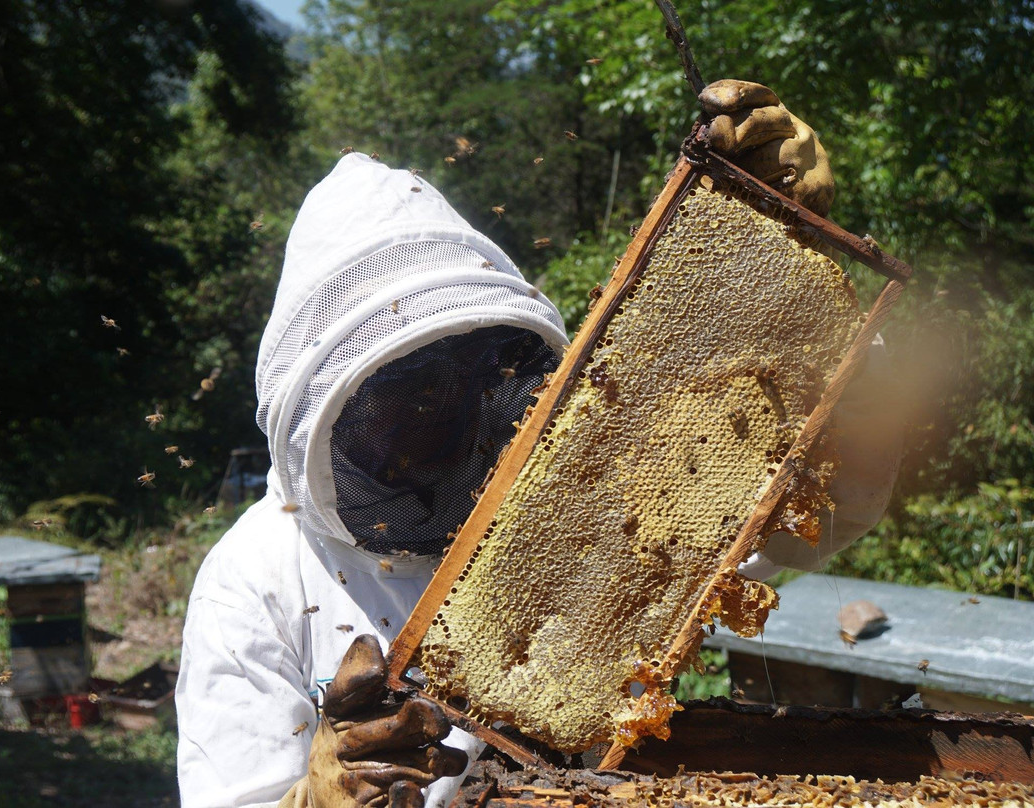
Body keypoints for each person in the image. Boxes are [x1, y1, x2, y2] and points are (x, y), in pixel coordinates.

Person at [175, 80, 903, 808]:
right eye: (416, 397)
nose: (458, 422)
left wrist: (786, 251)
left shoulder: (570, 499)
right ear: (335, 410)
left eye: (477, 376)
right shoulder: (255, 579)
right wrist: (317, 798)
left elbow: (833, 508)